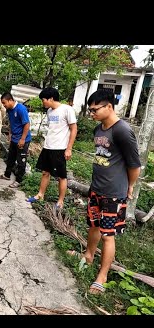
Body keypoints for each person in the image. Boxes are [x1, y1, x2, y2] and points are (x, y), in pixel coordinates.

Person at [68, 89, 141, 295]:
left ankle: (103, 275)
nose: (91, 114)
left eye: (94, 109)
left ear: (109, 106)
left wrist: (130, 186)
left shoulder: (122, 130)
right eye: (90, 110)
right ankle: (88, 255)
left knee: (108, 235)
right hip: (96, 189)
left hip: (113, 193)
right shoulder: (99, 129)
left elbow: (134, 165)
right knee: (93, 226)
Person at [26, 87, 77, 209]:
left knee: (61, 176)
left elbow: (74, 129)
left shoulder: (67, 109)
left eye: (44, 100)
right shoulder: (49, 112)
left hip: (60, 148)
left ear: (51, 98)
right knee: (45, 172)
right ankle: (40, 195)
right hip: (48, 146)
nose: (43, 102)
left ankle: (60, 201)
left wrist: (69, 148)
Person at [0, 92, 32, 188]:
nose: (3, 105)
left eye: (4, 103)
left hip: (22, 140)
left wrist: (23, 139)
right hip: (14, 138)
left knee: (21, 161)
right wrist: (10, 134)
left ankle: (19, 180)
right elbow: (12, 122)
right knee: (10, 158)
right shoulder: (9, 110)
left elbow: (27, 124)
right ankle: (7, 175)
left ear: (10, 100)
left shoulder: (21, 109)